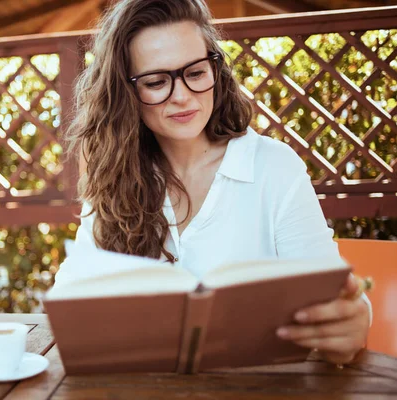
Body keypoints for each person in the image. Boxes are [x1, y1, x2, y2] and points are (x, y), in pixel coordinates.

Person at [56, 0, 370, 366]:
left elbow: (331, 295)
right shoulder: (115, 175)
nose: (183, 95)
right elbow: (70, 296)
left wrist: (356, 319)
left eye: (196, 72)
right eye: (157, 82)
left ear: (215, 69)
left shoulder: (274, 167)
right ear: (126, 92)